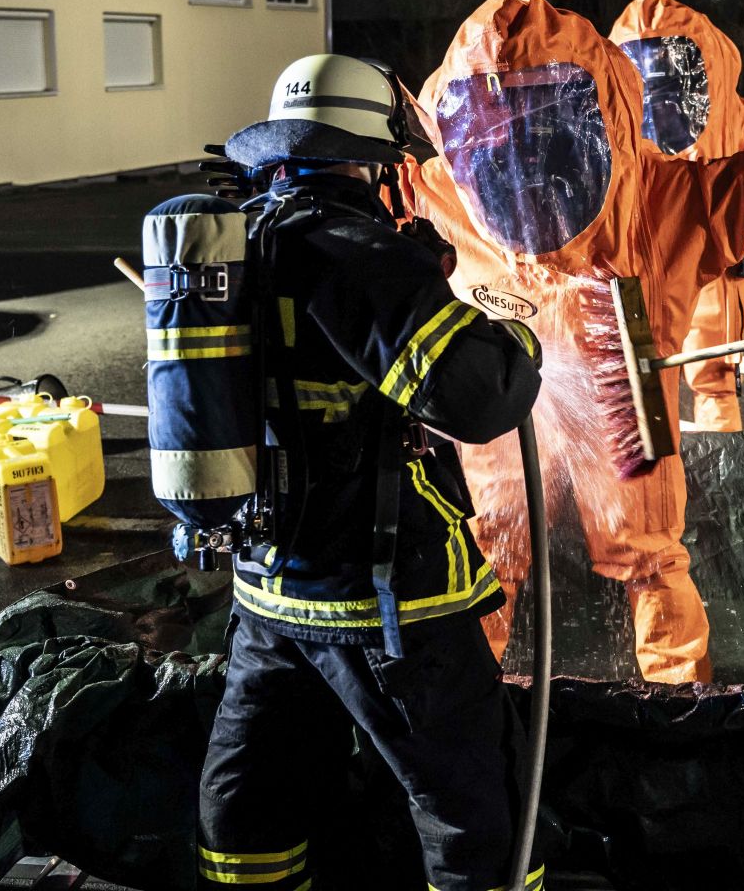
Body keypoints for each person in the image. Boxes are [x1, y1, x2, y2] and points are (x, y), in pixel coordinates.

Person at [399, 0, 744, 683]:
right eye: (506, 122)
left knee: (644, 556)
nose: (525, 157)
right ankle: (467, 699)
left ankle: (668, 697)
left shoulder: (643, 195)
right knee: (495, 546)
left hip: (602, 381)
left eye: (538, 121)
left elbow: (733, 189)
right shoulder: (449, 191)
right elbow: (734, 191)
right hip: (519, 387)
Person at [199, 54, 547, 891]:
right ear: (373, 159)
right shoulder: (356, 252)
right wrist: (519, 340)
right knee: (474, 820)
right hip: (387, 605)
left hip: (269, 595)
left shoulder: (242, 237)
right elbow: (479, 397)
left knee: (249, 810)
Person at [609, 0, 744, 432]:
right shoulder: (622, 117)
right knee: (642, 378)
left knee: (712, 375)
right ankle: (651, 475)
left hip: (708, 246)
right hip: (650, 247)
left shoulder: (730, 115)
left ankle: (716, 463)